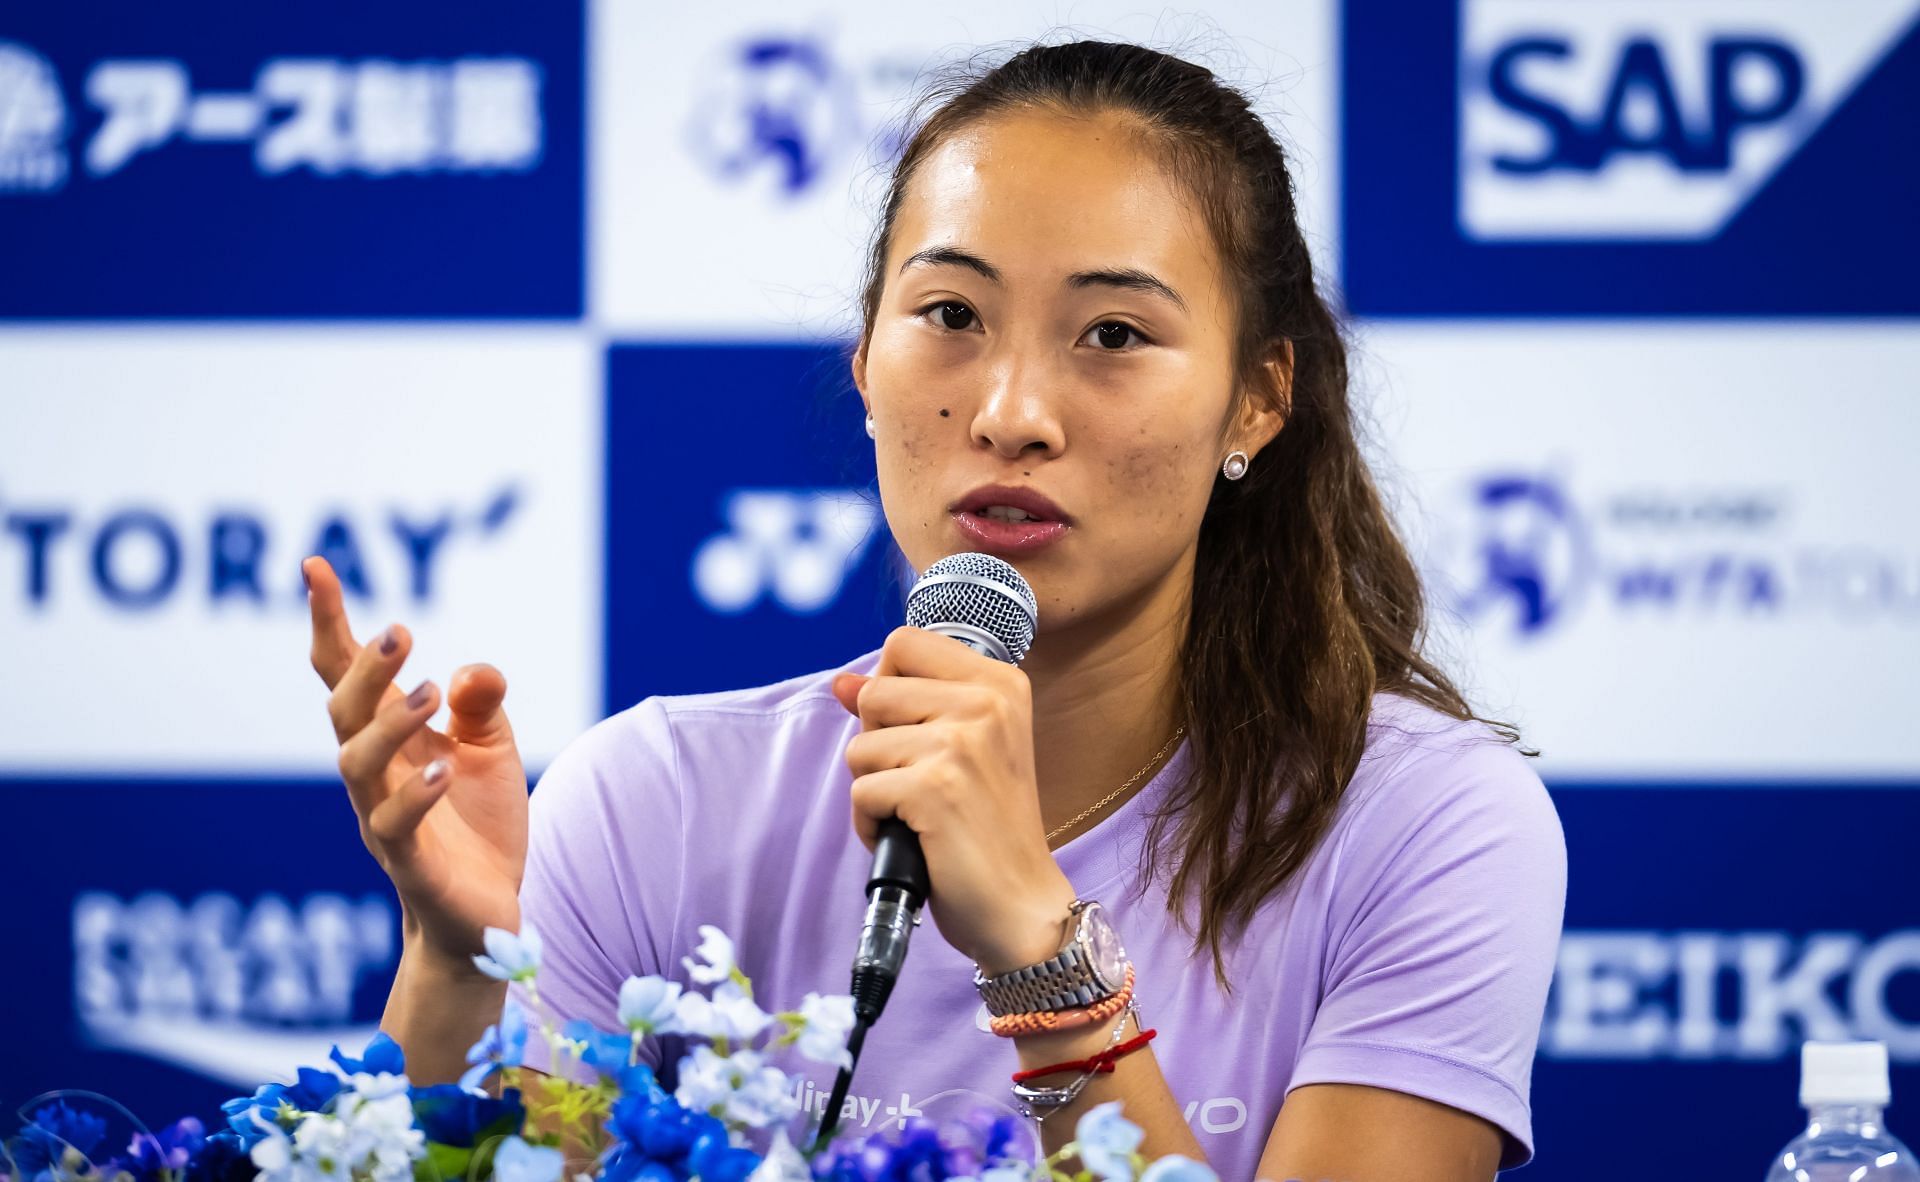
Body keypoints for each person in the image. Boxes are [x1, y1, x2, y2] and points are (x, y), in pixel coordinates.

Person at [303, 40, 1565, 1182]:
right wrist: (467, 979)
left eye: (1115, 333)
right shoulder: (652, 797)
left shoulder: (1428, 825)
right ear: (867, 362)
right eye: (951, 316)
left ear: (1256, 400)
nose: (1013, 411)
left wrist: (1036, 941)